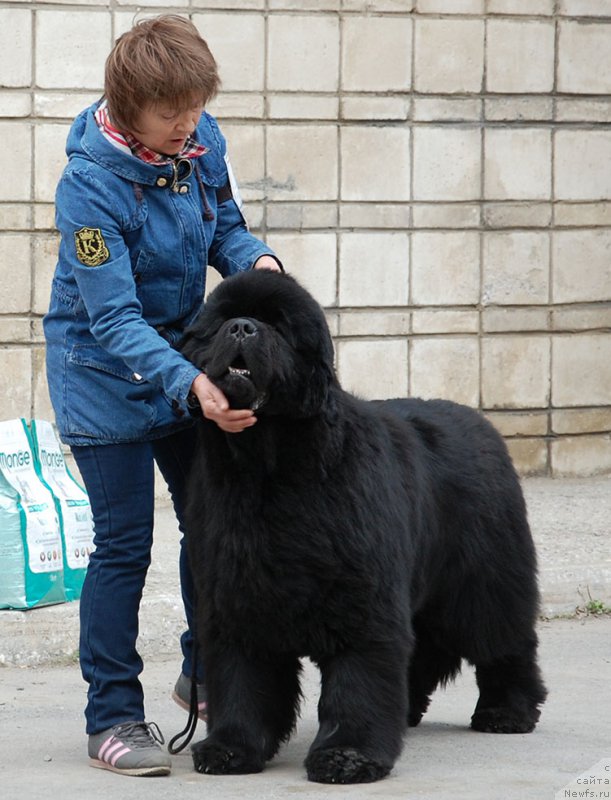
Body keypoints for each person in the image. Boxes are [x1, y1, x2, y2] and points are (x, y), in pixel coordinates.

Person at [43, 15, 282, 778]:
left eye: (196, 107)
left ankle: (204, 672)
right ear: (126, 104)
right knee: (123, 547)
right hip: (101, 376)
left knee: (210, 526)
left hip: (183, 364)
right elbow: (112, 317)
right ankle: (111, 716)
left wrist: (261, 261)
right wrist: (193, 383)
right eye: (172, 112)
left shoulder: (198, 140)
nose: (189, 124)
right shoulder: (89, 186)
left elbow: (227, 233)